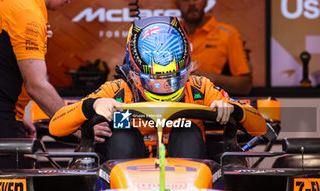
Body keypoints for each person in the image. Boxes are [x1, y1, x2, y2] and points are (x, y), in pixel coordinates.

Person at [49, 16, 266, 160]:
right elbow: (56, 127)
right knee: (124, 135)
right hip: (124, 188)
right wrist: (92, 106)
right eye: (154, 79)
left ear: (187, 69)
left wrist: (232, 109)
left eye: (172, 78)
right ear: (134, 74)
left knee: (187, 132)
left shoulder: (199, 88)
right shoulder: (117, 91)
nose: (163, 86)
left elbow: (261, 128)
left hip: (191, 185)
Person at [0, 0, 71, 150]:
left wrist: (17, 115)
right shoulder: (25, 12)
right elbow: (37, 85)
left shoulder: (14, 4)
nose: (69, 1)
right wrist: (74, 125)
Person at [176, 0, 252, 95]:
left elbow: (245, 86)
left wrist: (208, 79)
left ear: (206, 2)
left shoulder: (228, 34)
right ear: (177, 3)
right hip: (175, 103)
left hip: (214, 104)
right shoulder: (169, 35)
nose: (191, 3)